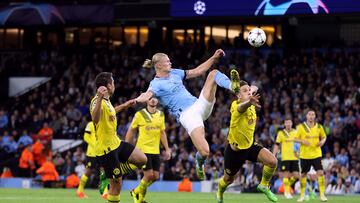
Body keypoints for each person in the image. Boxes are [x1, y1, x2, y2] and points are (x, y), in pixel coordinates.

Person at [135, 49, 240, 180]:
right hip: (188, 116)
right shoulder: (155, 84)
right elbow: (147, 94)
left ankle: (233, 86)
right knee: (205, 151)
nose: (170, 62)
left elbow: (197, 71)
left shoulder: (175, 73)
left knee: (213, 74)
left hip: (199, 104)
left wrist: (214, 57)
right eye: (167, 61)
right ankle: (199, 161)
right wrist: (139, 98)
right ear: (159, 66)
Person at [216, 80, 278, 203]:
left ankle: (263, 185)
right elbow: (241, 107)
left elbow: (254, 87)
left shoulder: (250, 96)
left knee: (272, 161)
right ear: (238, 95)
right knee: (228, 180)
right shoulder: (236, 105)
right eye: (245, 91)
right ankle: (219, 192)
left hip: (250, 146)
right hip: (235, 152)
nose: (249, 92)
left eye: (249, 91)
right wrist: (249, 101)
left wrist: (251, 89)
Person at [90, 72, 147, 203]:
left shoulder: (107, 101)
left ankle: (109, 174)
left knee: (141, 159)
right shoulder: (96, 101)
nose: (114, 85)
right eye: (113, 83)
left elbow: (111, 112)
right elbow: (95, 118)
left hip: (116, 143)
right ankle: (111, 175)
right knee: (117, 185)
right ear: (109, 86)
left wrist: (124, 106)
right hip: (106, 150)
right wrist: (98, 97)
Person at [125, 97, 171, 203]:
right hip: (142, 149)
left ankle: (136, 192)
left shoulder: (161, 115)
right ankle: (139, 198)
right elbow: (131, 130)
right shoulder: (139, 114)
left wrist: (167, 149)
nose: (153, 100)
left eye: (155, 98)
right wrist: (126, 146)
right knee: (148, 175)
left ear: (158, 100)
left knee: (155, 177)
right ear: (146, 101)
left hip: (155, 150)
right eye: (150, 98)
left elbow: (162, 132)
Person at [295, 110, 327, 202]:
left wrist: (322, 141)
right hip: (304, 155)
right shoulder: (301, 127)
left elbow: (324, 137)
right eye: (309, 114)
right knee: (303, 175)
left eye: (313, 114)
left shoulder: (319, 127)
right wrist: (302, 141)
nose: (311, 116)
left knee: (320, 173)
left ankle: (322, 195)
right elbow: (295, 138)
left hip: (316, 154)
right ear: (306, 116)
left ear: (315, 116)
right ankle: (302, 196)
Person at [76, 121, 108, 199]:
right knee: (88, 172)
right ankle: (79, 191)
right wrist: (95, 144)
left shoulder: (104, 124)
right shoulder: (90, 124)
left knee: (103, 171)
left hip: (101, 152)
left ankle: (105, 192)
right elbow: (86, 137)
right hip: (92, 153)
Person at [273, 117, 300, 199]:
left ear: (292, 123)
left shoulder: (296, 132)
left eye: (289, 123)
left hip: (295, 157)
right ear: (284, 124)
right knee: (286, 175)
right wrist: (274, 155)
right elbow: (277, 145)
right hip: (285, 157)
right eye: (286, 123)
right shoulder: (281, 133)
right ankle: (287, 192)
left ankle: (285, 188)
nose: (288, 124)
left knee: (296, 175)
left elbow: (299, 144)